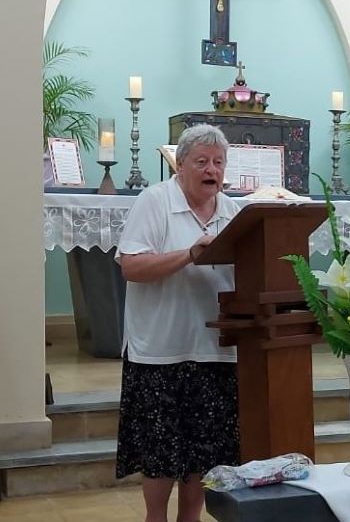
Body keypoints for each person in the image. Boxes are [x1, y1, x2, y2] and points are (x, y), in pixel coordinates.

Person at [115, 124, 240, 522]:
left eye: (218, 163)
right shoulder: (155, 201)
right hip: (160, 350)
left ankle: (191, 518)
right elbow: (131, 267)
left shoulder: (234, 213)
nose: (212, 170)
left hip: (216, 351)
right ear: (180, 164)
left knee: (202, 450)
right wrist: (189, 253)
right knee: (160, 453)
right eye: (202, 161)